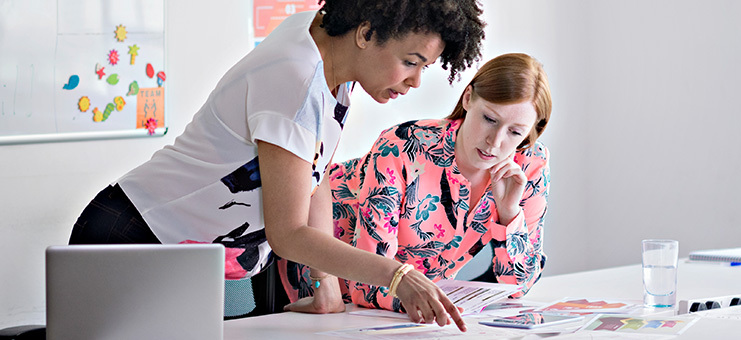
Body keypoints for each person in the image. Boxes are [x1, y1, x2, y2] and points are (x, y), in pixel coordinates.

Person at [68, 0, 485, 329]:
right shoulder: (297, 78)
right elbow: (288, 234)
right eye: (411, 61)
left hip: (199, 259)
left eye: (424, 67)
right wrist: (398, 276)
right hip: (136, 238)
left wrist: (325, 282)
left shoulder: (326, 52)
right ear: (366, 33)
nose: (415, 81)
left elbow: (313, 176)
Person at [281, 53, 551, 314]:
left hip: (405, 309)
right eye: (489, 119)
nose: (495, 141)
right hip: (319, 283)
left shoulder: (529, 167)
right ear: (468, 99)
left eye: (515, 132)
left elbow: (518, 287)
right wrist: (435, 303)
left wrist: (509, 214)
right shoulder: (401, 147)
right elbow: (366, 286)